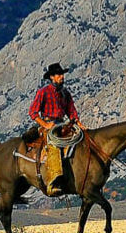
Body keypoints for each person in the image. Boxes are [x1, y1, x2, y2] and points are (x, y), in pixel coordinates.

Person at [27, 63, 85, 196]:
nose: (62, 77)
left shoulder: (65, 93)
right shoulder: (44, 92)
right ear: (52, 77)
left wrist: (79, 124)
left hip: (62, 124)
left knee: (79, 140)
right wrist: (45, 125)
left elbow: (71, 111)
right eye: (59, 75)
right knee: (54, 146)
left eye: (62, 74)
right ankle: (53, 182)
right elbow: (33, 112)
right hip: (49, 125)